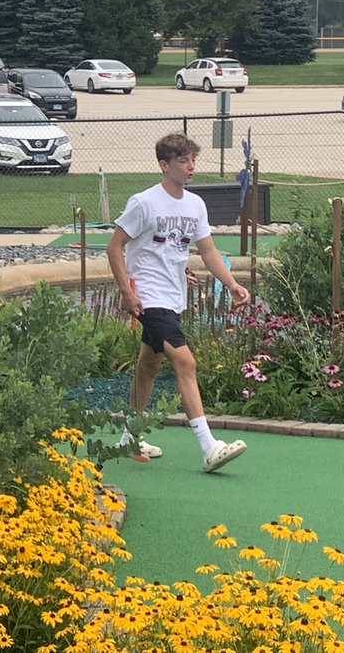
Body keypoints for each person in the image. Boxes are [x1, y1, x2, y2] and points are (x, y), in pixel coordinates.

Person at [107, 132, 251, 473]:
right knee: (184, 362)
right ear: (164, 165)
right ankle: (209, 446)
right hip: (148, 296)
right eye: (183, 161)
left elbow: (208, 250)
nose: (191, 167)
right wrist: (127, 291)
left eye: (192, 160)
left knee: (149, 365)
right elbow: (114, 247)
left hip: (173, 296)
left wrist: (230, 284)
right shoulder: (143, 203)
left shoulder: (195, 205)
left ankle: (130, 436)